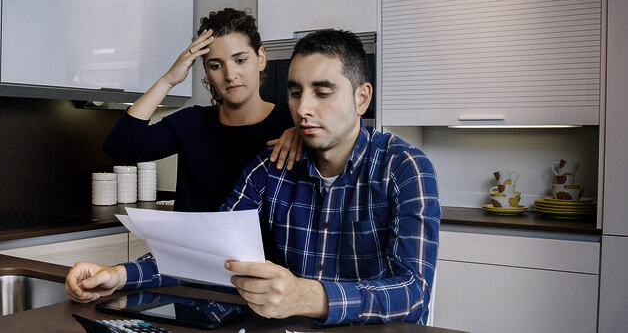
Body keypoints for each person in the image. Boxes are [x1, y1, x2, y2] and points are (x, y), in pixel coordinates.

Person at [68, 29, 440, 325]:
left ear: (362, 98)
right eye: (295, 92)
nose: (303, 108)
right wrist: (120, 275)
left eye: (322, 92)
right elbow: (208, 250)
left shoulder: (404, 168)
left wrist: (306, 296)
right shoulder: (270, 165)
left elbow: (413, 292)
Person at [102, 8, 301, 213]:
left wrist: (302, 134)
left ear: (261, 58)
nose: (230, 75)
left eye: (240, 60)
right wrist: (168, 80)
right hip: (191, 236)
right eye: (216, 65)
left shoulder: (292, 126)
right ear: (206, 71)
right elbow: (120, 147)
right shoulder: (191, 123)